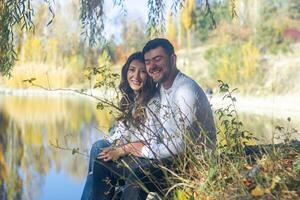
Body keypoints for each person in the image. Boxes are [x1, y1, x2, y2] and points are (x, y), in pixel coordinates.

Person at [92, 38, 216, 200]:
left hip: (190, 165)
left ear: (173, 59)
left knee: (139, 176)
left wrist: (130, 149)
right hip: (165, 158)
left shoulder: (185, 91)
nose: (152, 66)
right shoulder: (162, 88)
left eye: (158, 59)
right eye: (148, 62)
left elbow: (179, 146)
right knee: (103, 162)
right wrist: (123, 145)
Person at [81, 52, 160, 200]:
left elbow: (151, 143)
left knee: (99, 155)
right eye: (132, 70)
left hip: (144, 158)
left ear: (149, 75)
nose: (135, 76)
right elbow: (121, 132)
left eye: (142, 71)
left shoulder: (153, 102)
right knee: (99, 147)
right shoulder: (132, 97)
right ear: (126, 71)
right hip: (129, 149)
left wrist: (121, 149)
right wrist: (115, 144)